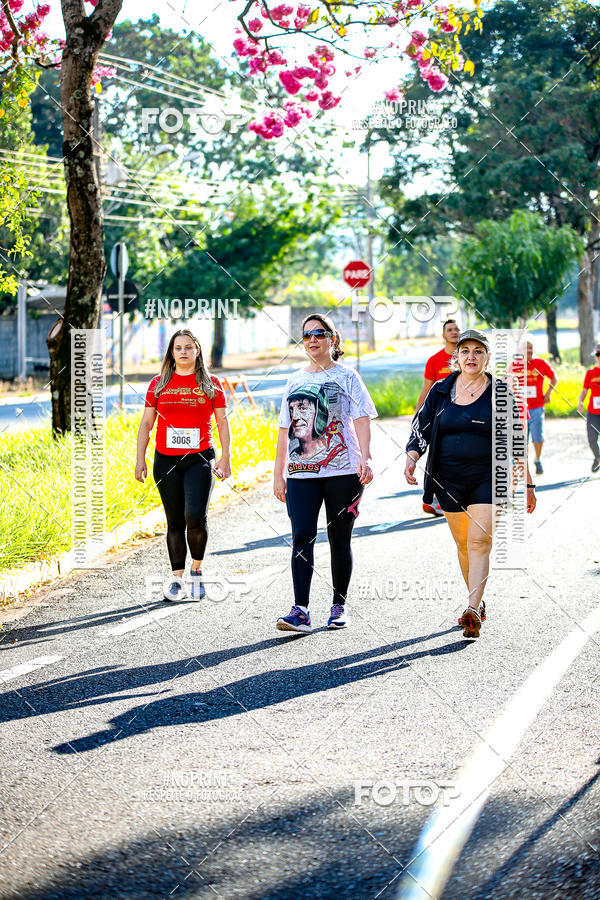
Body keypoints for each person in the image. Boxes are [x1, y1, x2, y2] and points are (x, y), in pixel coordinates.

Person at [404, 330, 537, 639]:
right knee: (463, 545)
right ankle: (477, 602)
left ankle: (472, 609)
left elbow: (517, 440)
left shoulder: (500, 393)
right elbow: (421, 427)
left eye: (478, 351)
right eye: (466, 351)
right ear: (457, 357)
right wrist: (412, 456)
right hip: (447, 479)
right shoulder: (441, 390)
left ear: (487, 357)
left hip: (489, 478)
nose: (472, 356)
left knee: (479, 543)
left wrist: (528, 483)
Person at [273, 313, 377, 633]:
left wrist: (366, 458)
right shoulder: (294, 380)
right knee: (301, 537)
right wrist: (279, 474)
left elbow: (361, 420)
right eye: (307, 335)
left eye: (319, 333)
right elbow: (284, 429)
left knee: (339, 539)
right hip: (301, 473)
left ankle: (338, 607)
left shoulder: (348, 377)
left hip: (343, 471)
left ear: (333, 339)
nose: (313, 339)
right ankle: (300, 610)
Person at [135, 329, 231, 602]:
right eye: (178, 348)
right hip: (166, 460)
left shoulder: (211, 383)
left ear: (197, 350)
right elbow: (146, 424)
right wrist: (140, 458)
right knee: (175, 520)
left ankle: (197, 570)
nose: (184, 352)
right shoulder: (159, 383)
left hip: (200, 458)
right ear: (172, 352)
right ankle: (177, 578)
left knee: (195, 516)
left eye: (189, 347)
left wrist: (226, 457)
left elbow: (223, 422)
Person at [414, 318, 461, 517]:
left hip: (462, 416)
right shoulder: (434, 360)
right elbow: (426, 389)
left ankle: (457, 497)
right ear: (443, 335)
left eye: (456, 329)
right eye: (449, 329)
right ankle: (432, 499)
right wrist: (418, 416)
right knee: (436, 458)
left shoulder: (467, 357)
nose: (454, 332)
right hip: (439, 418)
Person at [524, 341, 558, 475]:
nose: (528, 351)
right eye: (525, 349)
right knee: (521, 439)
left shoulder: (541, 363)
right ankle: (524, 463)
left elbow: (554, 377)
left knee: (537, 436)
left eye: (530, 348)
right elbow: (507, 380)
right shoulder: (514, 365)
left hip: (537, 406)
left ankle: (537, 459)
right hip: (520, 408)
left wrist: (548, 393)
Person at [577, 344, 600, 472]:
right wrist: (580, 402)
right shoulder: (591, 372)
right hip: (593, 412)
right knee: (592, 439)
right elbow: (585, 390)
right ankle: (597, 457)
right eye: (598, 354)